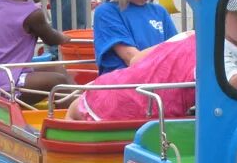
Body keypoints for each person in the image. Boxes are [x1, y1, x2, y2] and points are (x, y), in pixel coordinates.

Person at [67, 0, 237, 120]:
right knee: (79, 109)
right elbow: (231, 84)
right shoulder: (213, 49)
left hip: (139, 90)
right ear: (221, 18)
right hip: (124, 95)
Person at [67, 31, 197, 121]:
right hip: (150, 113)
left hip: (110, 87)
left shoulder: (189, 35)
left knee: (73, 113)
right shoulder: (211, 58)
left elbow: (136, 60)